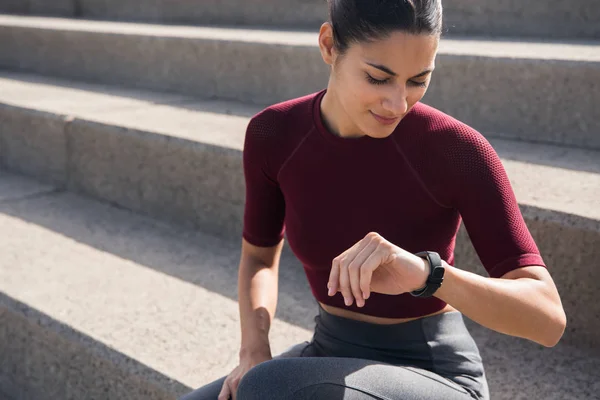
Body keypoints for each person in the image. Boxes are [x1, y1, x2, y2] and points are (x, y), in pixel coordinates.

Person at [179, 0, 567, 399]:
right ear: (330, 45)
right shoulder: (274, 134)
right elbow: (260, 257)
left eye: (418, 80)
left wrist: (427, 275)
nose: (398, 103)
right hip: (328, 354)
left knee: (270, 387)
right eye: (378, 78)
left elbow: (547, 319)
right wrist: (253, 350)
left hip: (434, 373)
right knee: (251, 383)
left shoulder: (456, 150)